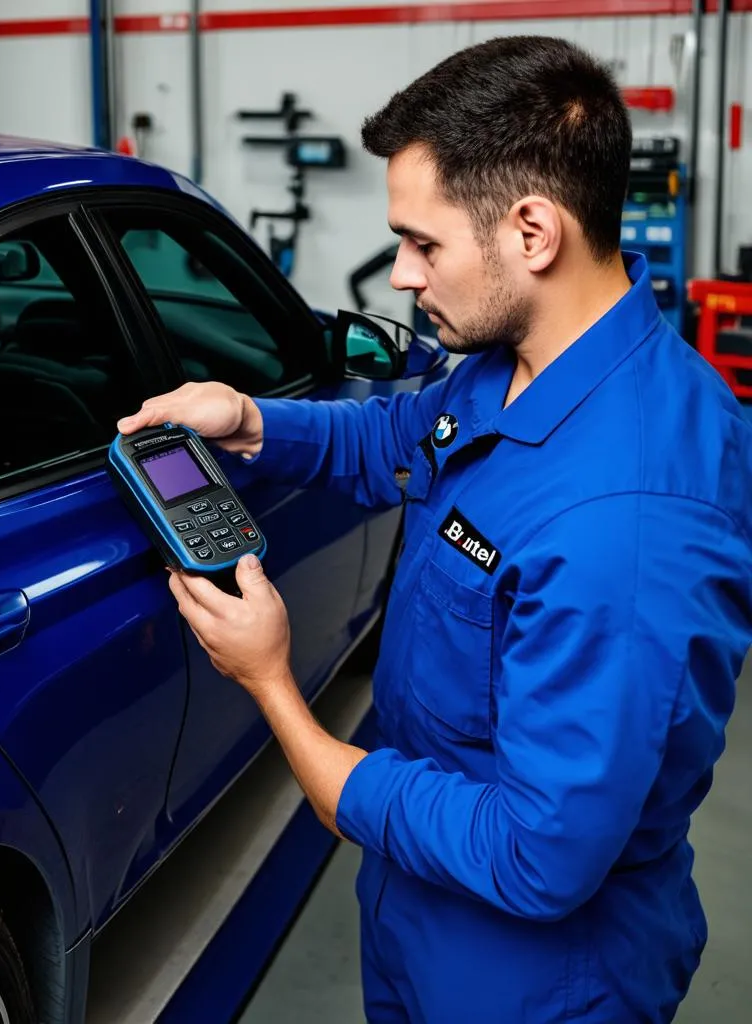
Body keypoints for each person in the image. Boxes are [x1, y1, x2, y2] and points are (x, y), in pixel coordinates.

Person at [117, 36, 752, 1024]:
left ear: (531, 232)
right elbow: (396, 436)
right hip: (419, 910)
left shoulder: (626, 527)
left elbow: (535, 860)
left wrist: (272, 682)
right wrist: (248, 418)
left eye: (423, 243)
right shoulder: (513, 361)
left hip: (537, 982)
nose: (402, 276)